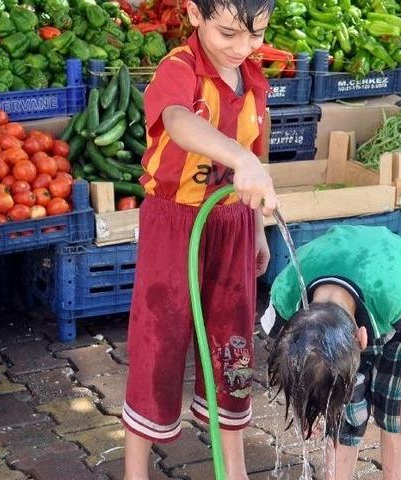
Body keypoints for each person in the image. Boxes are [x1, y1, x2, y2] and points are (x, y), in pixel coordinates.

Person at [121, 0, 278, 476]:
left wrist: (257, 231)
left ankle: (232, 467)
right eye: (228, 33)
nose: (242, 47)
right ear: (193, 14)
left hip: (232, 225)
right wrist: (240, 159)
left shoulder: (252, 79)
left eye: (255, 35)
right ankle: (135, 470)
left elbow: (257, 153)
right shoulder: (179, 68)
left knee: (232, 342)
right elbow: (177, 121)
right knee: (158, 341)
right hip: (175, 223)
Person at [263, 225, 401, 479]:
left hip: (395, 304)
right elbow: (291, 358)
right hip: (341, 280)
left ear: (362, 338)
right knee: (343, 422)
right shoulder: (286, 295)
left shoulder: (399, 297)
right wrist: (311, 406)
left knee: (396, 415)